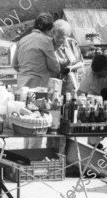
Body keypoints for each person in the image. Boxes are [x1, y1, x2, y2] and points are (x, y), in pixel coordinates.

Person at [12, 13, 61, 148]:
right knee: (37, 125)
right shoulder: (46, 41)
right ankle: (33, 160)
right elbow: (55, 67)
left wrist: (25, 73)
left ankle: (25, 157)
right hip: (38, 89)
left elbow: (14, 64)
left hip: (22, 88)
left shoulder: (22, 40)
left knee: (25, 124)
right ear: (49, 29)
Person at [52, 19, 84, 97]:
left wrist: (71, 67)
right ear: (53, 33)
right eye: (57, 37)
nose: (59, 40)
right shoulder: (48, 45)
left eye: (63, 38)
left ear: (67, 36)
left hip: (71, 82)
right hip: (54, 83)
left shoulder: (72, 43)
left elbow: (81, 62)